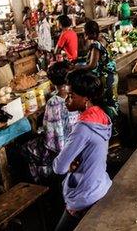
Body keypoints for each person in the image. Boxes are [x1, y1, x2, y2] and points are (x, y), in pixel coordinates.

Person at [53, 70, 112, 231]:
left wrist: (68, 161)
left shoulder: (82, 128)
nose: (66, 100)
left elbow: (59, 167)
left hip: (86, 195)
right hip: (101, 183)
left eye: (71, 95)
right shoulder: (101, 115)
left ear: (86, 98)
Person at [76, 20, 118, 119]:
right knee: (112, 101)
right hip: (112, 75)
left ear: (89, 32)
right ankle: (116, 125)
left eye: (85, 32)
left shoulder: (96, 45)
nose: (84, 34)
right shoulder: (104, 37)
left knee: (107, 104)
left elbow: (92, 65)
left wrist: (77, 67)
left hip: (105, 78)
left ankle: (111, 127)